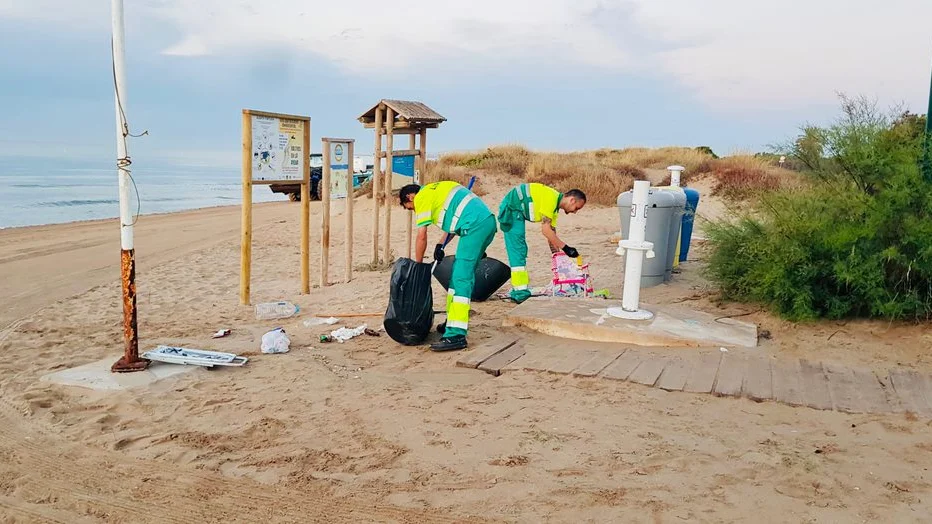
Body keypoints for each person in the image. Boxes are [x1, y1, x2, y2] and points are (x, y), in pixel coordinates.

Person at [400, 181, 497, 351]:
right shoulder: (436, 189)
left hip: (474, 227)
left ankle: (456, 335)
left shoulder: (421, 197)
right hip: (485, 223)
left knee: (461, 278)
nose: (413, 211)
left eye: (410, 208)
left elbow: (421, 236)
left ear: (410, 197)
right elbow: (455, 219)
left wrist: (418, 265)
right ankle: (452, 321)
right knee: (458, 275)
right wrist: (440, 244)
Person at [497, 183, 586, 303]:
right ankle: (519, 292)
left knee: (520, 250)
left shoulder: (554, 208)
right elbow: (545, 231)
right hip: (511, 209)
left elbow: (551, 235)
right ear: (572, 200)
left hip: (517, 210)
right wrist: (566, 248)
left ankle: (520, 289)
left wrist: (559, 260)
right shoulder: (551, 198)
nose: (575, 212)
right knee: (518, 250)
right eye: (577, 208)